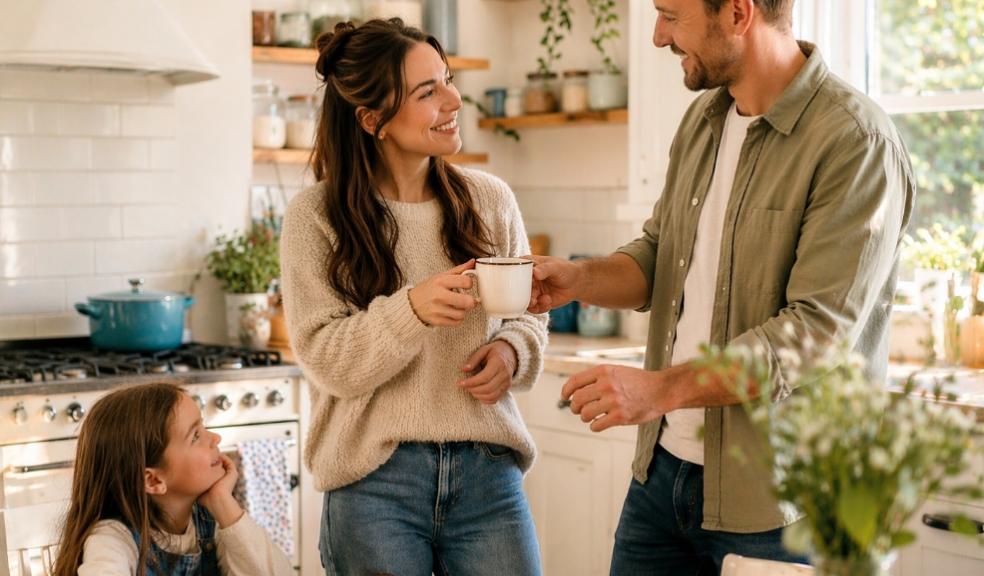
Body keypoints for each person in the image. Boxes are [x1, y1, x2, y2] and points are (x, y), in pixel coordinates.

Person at [528, 0, 915, 573]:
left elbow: (810, 337)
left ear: (738, 13)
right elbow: (663, 253)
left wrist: (657, 389)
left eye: (671, 15)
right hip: (663, 477)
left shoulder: (855, 141)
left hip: (785, 500)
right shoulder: (705, 119)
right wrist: (580, 279)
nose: (659, 37)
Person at [279, 18, 548, 576]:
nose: (454, 100)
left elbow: (525, 317)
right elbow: (328, 362)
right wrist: (410, 311)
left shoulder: (489, 200)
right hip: (374, 485)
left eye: (448, 80)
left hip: (487, 475)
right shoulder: (315, 217)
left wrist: (510, 354)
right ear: (372, 119)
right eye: (428, 92)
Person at [51, 382, 294, 576]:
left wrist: (223, 502)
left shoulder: (213, 521)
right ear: (154, 480)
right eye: (195, 436)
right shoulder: (113, 539)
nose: (216, 438)